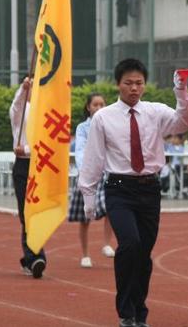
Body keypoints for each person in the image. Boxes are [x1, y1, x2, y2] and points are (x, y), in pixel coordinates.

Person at [78, 58, 188, 327]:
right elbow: (94, 158)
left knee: (143, 254)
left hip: (150, 189)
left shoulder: (155, 112)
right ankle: (126, 311)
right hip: (120, 189)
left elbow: (183, 122)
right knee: (129, 244)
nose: (134, 88)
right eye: (128, 83)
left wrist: (181, 93)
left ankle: (138, 310)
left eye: (139, 83)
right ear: (118, 84)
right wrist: (88, 197)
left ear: (145, 85)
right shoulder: (103, 118)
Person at [68, 93, 116, 268]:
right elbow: (80, 150)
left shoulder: (111, 125)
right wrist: (86, 172)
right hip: (87, 175)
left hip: (108, 174)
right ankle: (85, 254)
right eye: (95, 105)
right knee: (85, 217)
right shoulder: (82, 128)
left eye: (102, 104)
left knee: (112, 207)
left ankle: (106, 243)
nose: (99, 108)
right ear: (88, 107)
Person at [9, 76, 47, 278]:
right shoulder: (21, 113)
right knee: (27, 214)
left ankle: (31, 258)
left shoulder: (46, 112)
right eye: (30, 84)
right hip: (23, 167)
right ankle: (35, 257)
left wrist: (25, 148)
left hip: (42, 166)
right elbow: (15, 109)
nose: (33, 87)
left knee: (38, 213)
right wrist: (22, 90)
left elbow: (49, 143)